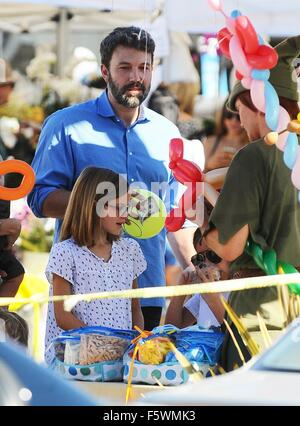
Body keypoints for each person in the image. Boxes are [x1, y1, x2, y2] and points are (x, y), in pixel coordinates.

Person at [28, 26, 197, 331]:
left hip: (147, 287)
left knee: (139, 375)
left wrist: (195, 268)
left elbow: (176, 217)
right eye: (125, 67)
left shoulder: (168, 133)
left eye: (144, 67)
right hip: (83, 286)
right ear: (104, 71)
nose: (136, 76)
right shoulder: (66, 125)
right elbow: (40, 199)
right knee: (85, 378)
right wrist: (104, 202)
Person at [204, 36, 300, 371]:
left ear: (257, 103)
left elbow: (228, 248)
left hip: (263, 315)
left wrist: (202, 228)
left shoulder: (254, 155)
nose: (240, 123)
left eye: (239, 111)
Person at [45, 166, 146, 363]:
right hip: (74, 364)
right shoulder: (65, 252)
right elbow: (62, 315)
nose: (125, 215)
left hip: (117, 361)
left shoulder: (130, 250)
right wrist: (101, 344)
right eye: (119, 207)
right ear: (95, 205)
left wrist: (137, 340)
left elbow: (135, 309)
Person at [165, 228, 229, 328]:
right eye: (200, 258)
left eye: (212, 255)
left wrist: (213, 299)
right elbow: (171, 327)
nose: (206, 264)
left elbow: (236, 331)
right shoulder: (203, 293)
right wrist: (180, 290)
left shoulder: (240, 287)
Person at [203, 98, 248, 172]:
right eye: (229, 115)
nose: (233, 121)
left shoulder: (250, 144)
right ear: (222, 115)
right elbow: (198, 178)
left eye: (238, 116)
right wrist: (209, 165)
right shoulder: (210, 142)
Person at [0, 162, 24, 298]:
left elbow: (12, 231)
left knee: (17, 273)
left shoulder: (5, 196)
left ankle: (2, 312)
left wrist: (8, 244)